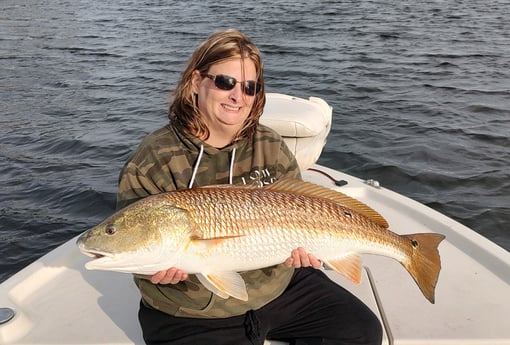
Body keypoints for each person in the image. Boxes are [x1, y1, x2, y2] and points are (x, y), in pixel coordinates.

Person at [116, 29, 383, 345]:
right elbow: (133, 237)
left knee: (362, 331)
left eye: (250, 87)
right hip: (191, 310)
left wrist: (310, 253)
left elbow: (303, 202)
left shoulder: (269, 144)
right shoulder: (152, 159)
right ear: (195, 82)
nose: (236, 96)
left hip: (277, 287)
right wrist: (151, 271)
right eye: (225, 82)